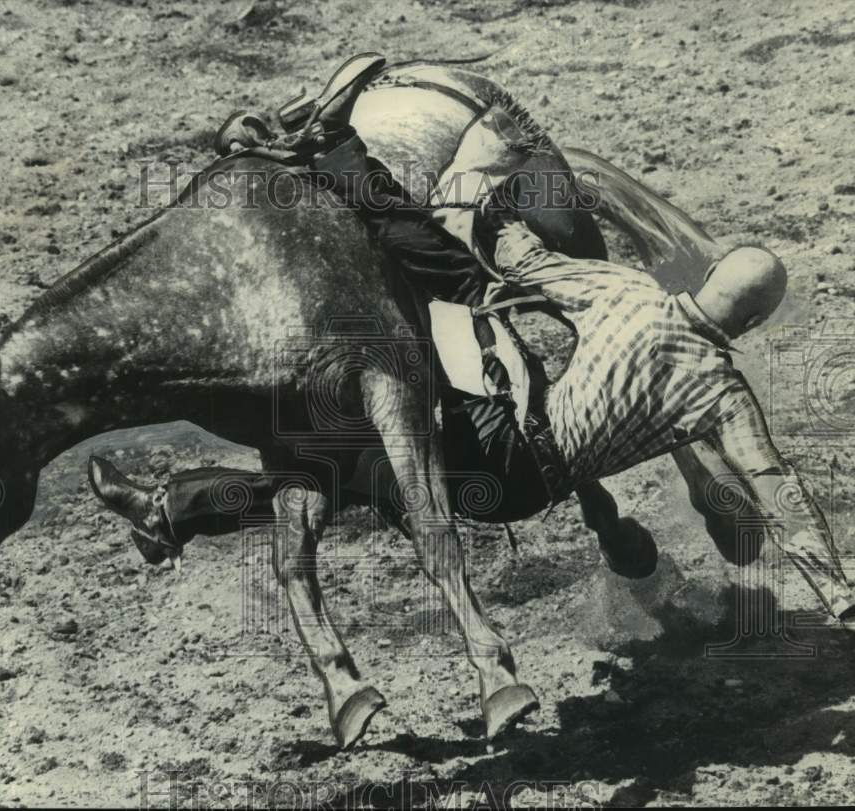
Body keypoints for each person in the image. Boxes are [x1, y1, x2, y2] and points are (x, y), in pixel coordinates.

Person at [211, 55, 855, 623]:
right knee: (360, 476)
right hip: (517, 490)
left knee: (439, 268)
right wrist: (838, 585)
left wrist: (476, 190)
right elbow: (777, 487)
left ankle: (328, 153)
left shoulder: (623, 292)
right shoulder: (728, 392)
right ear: (746, 326)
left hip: (506, 437)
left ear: (710, 275)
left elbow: (512, 253)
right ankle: (188, 503)